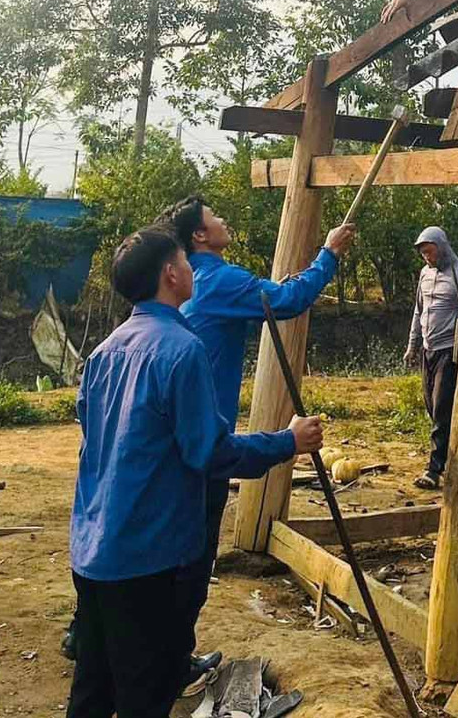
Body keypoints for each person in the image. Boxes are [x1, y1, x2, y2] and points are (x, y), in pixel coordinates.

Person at [66, 225, 323, 718]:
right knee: (148, 688)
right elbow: (210, 453)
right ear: (170, 274)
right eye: (185, 262)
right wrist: (287, 441)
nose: (192, 271)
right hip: (148, 552)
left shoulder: (104, 352)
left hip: (93, 544)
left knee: (93, 686)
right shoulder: (181, 352)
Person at [171, 197, 355, 676]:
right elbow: (287, 302)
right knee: (192, 554)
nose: (224, 218)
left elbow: (274, 292)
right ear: (199, 236)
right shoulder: (217, 279)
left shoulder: (193, 283)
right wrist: (329, 254)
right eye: (216, 216)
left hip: (175, 433)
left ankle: (90, 635)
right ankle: (171, 660)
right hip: (204, 435)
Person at [403, 226, 458, 490]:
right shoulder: (424, 274)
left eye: (430, 252)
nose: (428, 258)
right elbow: (419, 311)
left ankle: (434, 469)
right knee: (431, 406)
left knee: (442, 408)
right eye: (424, 254)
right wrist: (412, 345)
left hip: (449, 351)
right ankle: (452, 456)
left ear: (442, 247)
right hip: (427, 350)